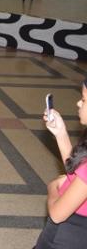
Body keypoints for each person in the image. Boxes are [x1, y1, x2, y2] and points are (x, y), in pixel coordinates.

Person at [35, 79, 87, 249]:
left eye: (85, 99)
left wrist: (53, 187)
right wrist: (61, 133)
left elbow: (57, 214)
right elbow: (78, 170)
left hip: (67, 236)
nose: (78, 103)